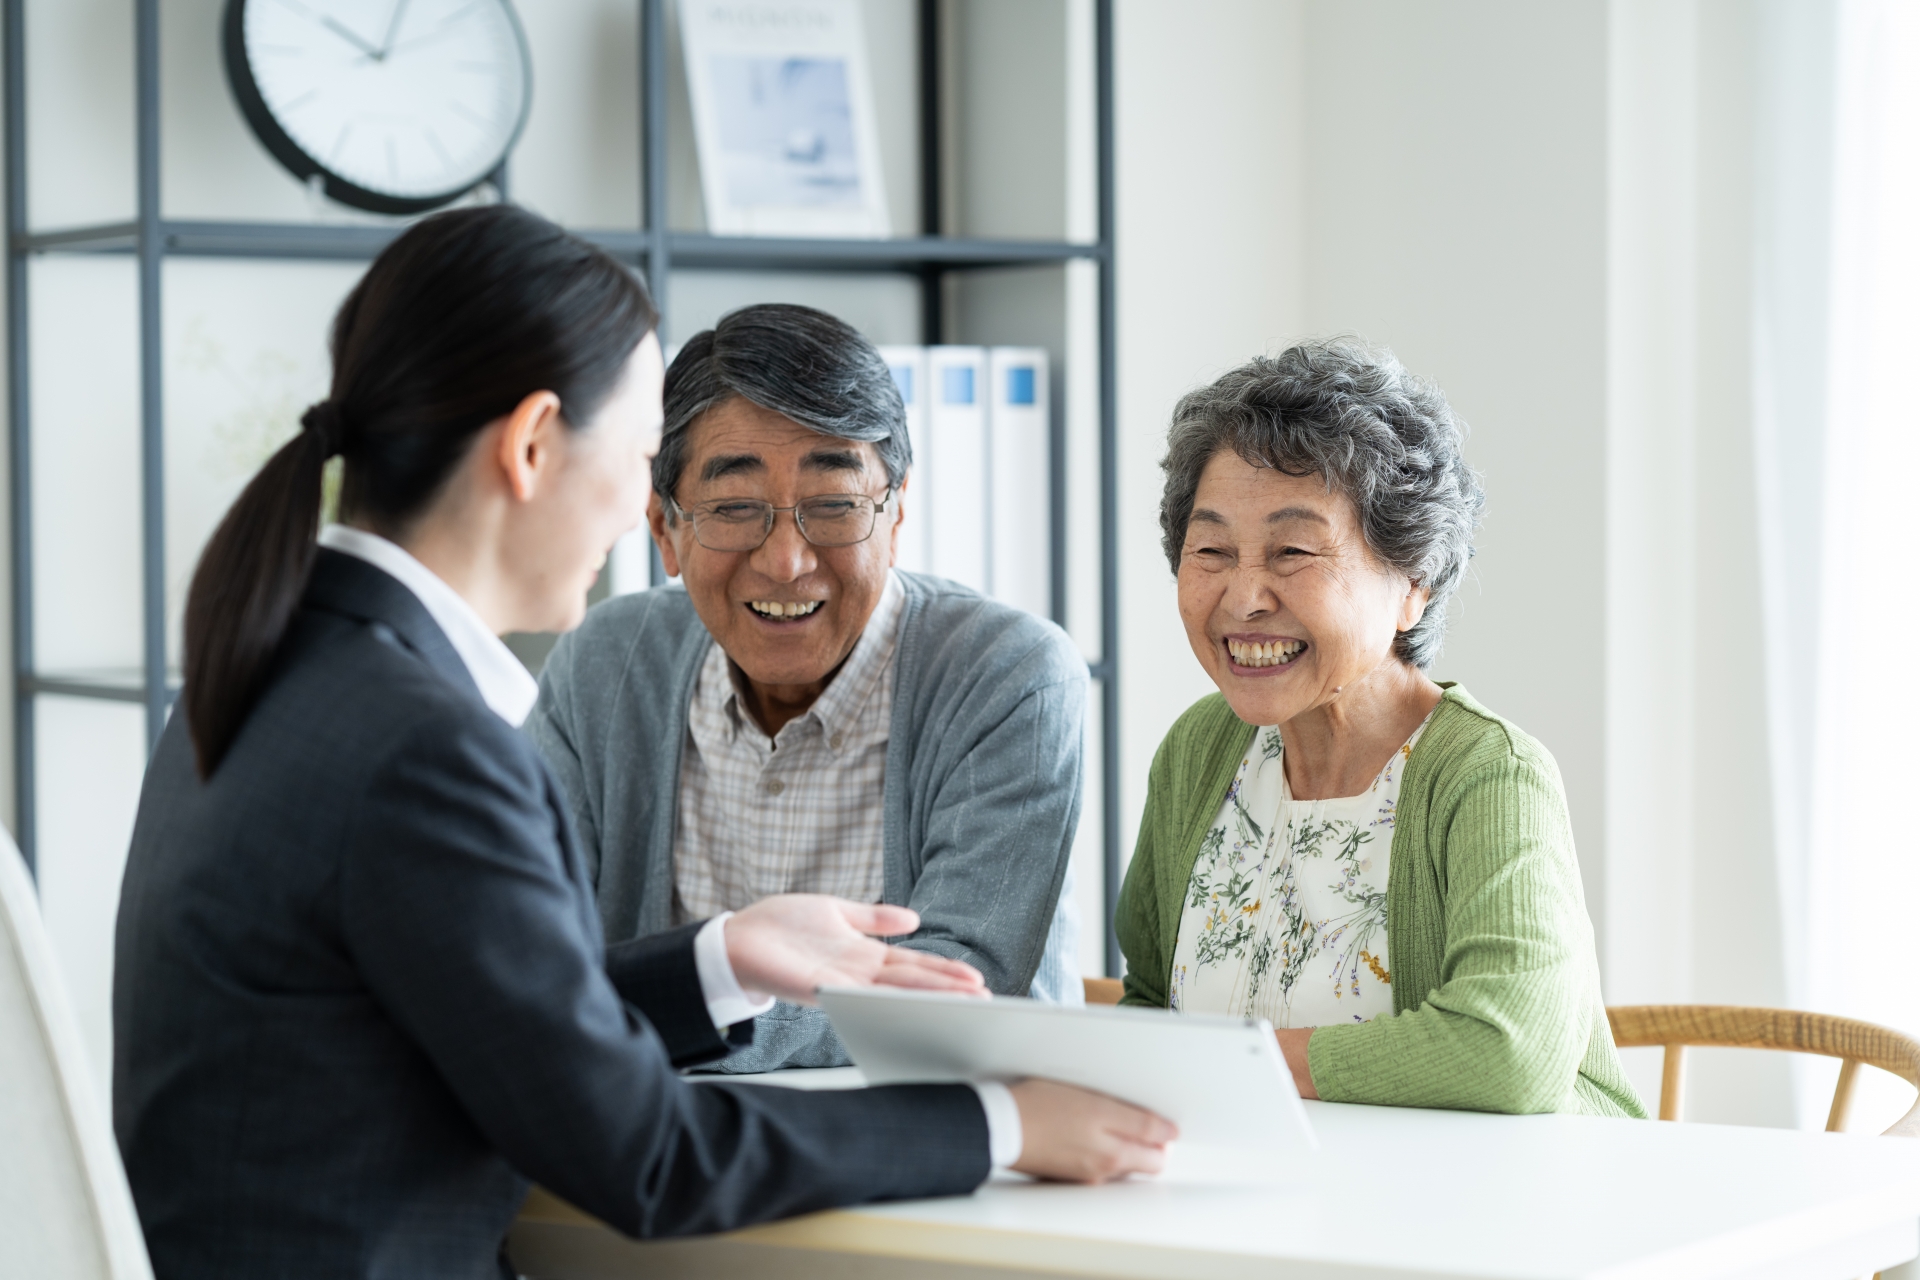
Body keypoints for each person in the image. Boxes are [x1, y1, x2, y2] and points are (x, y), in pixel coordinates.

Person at [113, 206, 1173, 1280]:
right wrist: (1000, 1124)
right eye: (639, 459)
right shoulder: (427, 751)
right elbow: (649, 1151)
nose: (638, 514)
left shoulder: (262, 671)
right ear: (533, 446)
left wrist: (723, 957)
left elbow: (503, 1008)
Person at [528, 302, 1086, 1073]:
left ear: (896, 514)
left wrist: (677, 1005)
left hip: (932, 1132)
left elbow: (954, 996)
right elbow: (524, 956)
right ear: (664, 530)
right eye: (734, 509)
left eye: (835, 506)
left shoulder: (1008, 677)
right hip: (662, 1134)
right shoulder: (604, 666)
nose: (787, 561)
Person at [1115, 339, 1645, 1117]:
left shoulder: (1488, 773)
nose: (1244, 596)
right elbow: (1150, 1002)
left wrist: (1238, 1062)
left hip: (1498, 1190)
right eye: (1212, 550)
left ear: (1413, 584)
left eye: (1292, 550)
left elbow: (1509, 1052)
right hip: (1274, 1183)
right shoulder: (1200, 750)